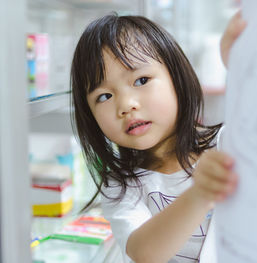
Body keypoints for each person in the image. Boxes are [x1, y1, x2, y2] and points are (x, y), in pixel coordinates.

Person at [70, 10, 246, 263]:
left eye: (141, 80)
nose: (126, 105)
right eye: (104, 96)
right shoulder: (121, 186)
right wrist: (199, 195)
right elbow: (145, 253)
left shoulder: (227, 144)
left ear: (178, 79)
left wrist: (242, 68)